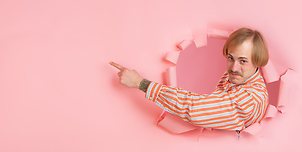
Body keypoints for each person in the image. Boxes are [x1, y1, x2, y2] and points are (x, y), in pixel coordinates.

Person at [109, 28, 269, 131]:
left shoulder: (249, 100)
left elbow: (196, 110)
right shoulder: (236, 76)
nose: (233, 68)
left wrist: (141, 83)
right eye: (230, 58)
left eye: (243, 61)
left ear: (257, 62)